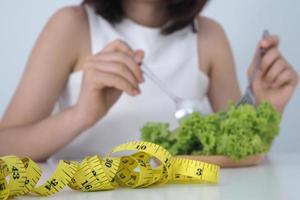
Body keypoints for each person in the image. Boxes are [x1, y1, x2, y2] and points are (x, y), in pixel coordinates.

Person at [0, 0, 298, 161]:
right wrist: (80, 116)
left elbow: (239, 154)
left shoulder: (209, 36)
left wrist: (266, 110)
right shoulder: (72, 25)